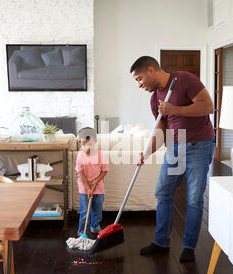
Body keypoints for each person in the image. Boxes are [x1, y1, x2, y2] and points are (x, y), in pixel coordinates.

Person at [130, 56, 215, 262]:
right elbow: (161, 130)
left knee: (194, 198)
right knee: (163, 191)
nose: (140, 85)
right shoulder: (154, 99)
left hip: (199, 145)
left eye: (140, 79)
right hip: (176, 147)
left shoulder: (185, 80)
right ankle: (161, 242)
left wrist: (175, 109)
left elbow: (208, 107)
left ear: (151, 70)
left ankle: (189, 246)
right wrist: (146, 152)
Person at [75, 127, 109, 238]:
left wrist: (95, 182)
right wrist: (88, 188)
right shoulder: (80, 156)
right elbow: (81, 173)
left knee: (97, 209)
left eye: (89, 145)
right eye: (84, 145)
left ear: (95, 142)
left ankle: (95, 225)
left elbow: (104, 171)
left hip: (98, 186)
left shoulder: (101, 155)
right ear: (80, 143)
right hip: (84, 187)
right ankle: (81, 231)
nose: (86, 148)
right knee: (85, 211)